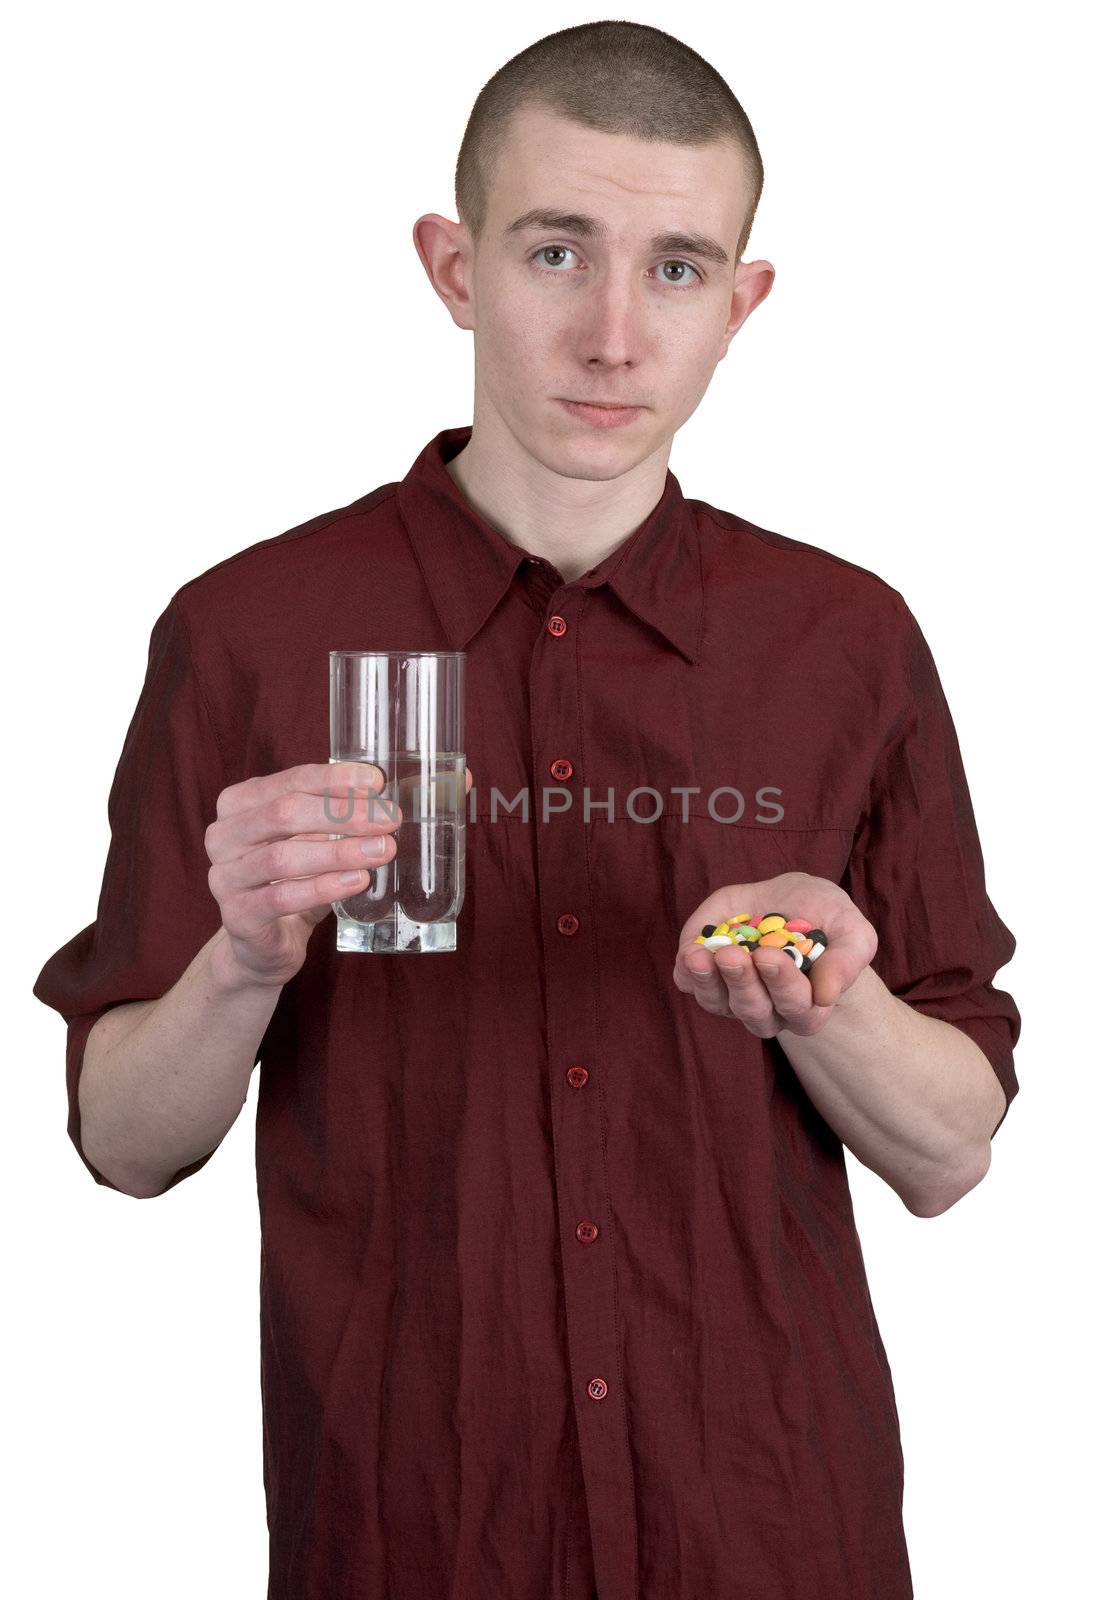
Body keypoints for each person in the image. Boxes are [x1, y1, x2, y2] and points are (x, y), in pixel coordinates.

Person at [33, 21, 1020, 1600]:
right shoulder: (247, 629)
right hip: (408, 1527)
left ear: (744, 304)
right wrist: (240, 964)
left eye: (680, 268)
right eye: (558, 252)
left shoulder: (849, 642)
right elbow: (125, 1145)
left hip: (773, 1526)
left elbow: (953, 1152)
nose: (614, 337)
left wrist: (831, 1005)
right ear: (453, 265)